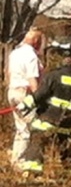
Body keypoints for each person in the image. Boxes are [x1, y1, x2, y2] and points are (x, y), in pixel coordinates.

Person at [15, 55, 71, 179]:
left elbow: (41, 93)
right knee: (65, 144)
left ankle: (32, 170)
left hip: (49, 118)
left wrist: (25, 104)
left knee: (37, 137)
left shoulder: (53, 76)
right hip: (66, 123)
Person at [6, 28, 44, 167]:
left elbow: (9, 73)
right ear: (35, 41)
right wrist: (38, 98)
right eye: (40, 42)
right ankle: (26, 163)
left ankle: (16, 161)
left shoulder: (14, 53)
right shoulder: (31, 56)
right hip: (25, 93)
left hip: (12, 91)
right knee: (33, 129)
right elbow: (32, 79)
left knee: (21, 128)